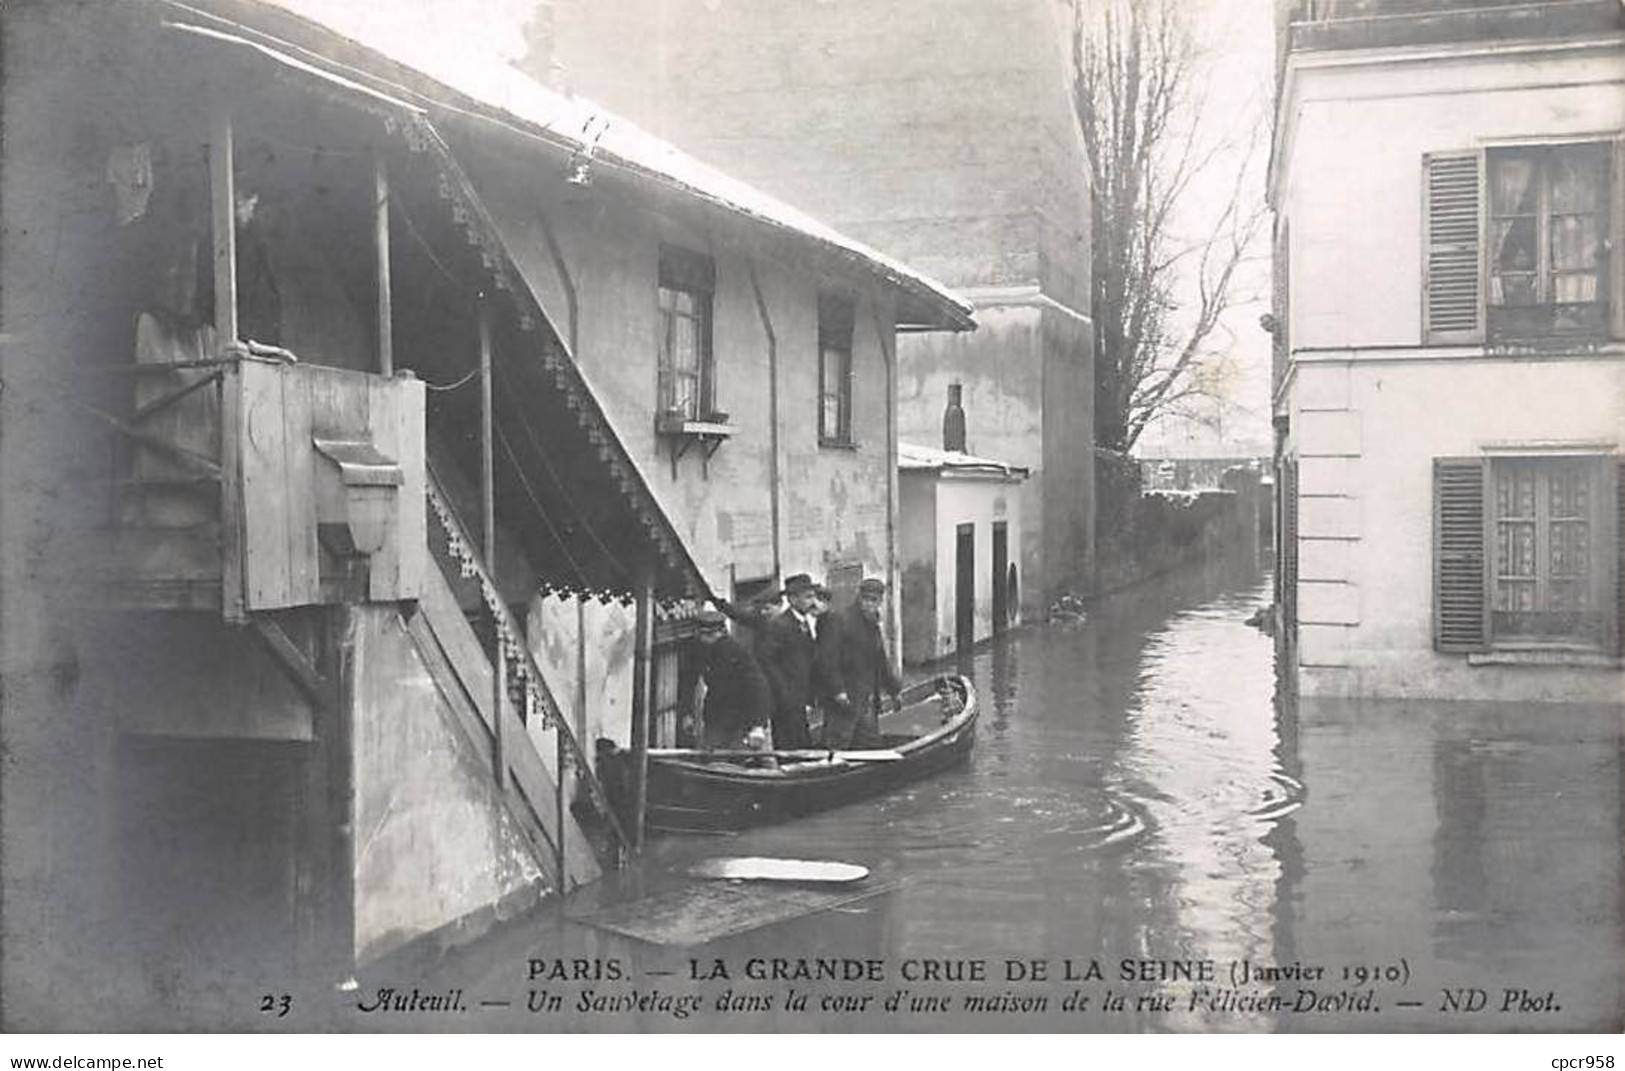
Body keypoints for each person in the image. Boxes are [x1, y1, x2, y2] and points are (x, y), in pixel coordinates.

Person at [815, 577, 901, 749]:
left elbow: (880, 661)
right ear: (859, 597)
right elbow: (827, 659)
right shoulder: (840, 620)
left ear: (880, 601)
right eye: (866, 599)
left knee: (869, 742)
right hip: (844, 695)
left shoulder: (873, 624)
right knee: (838, 741)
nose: (869, 604)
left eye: (874, 600)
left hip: (865, 695)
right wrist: (837, 690)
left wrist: (893, 690)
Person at [692, 608, 772, 750]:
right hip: (716, 715)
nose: (705, 639)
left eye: (710, 635)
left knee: (741, 760)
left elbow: (759, 686)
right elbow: (689, 679)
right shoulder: (699, 649)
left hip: (741, 716)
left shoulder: (737, 652)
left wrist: (758, 725)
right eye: (702, 635)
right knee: (713, 757)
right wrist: (688, 713)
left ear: (721, 632)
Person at [754, 574, 819, 749]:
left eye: (812, 596)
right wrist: (784, 691)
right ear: (792, 599)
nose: (812, 602)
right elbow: (766, 660)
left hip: (800, 697)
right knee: (788, 744)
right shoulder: (780, 625)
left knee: (802, 742)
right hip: (785, 700)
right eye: (807, 597)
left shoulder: (804, 623)